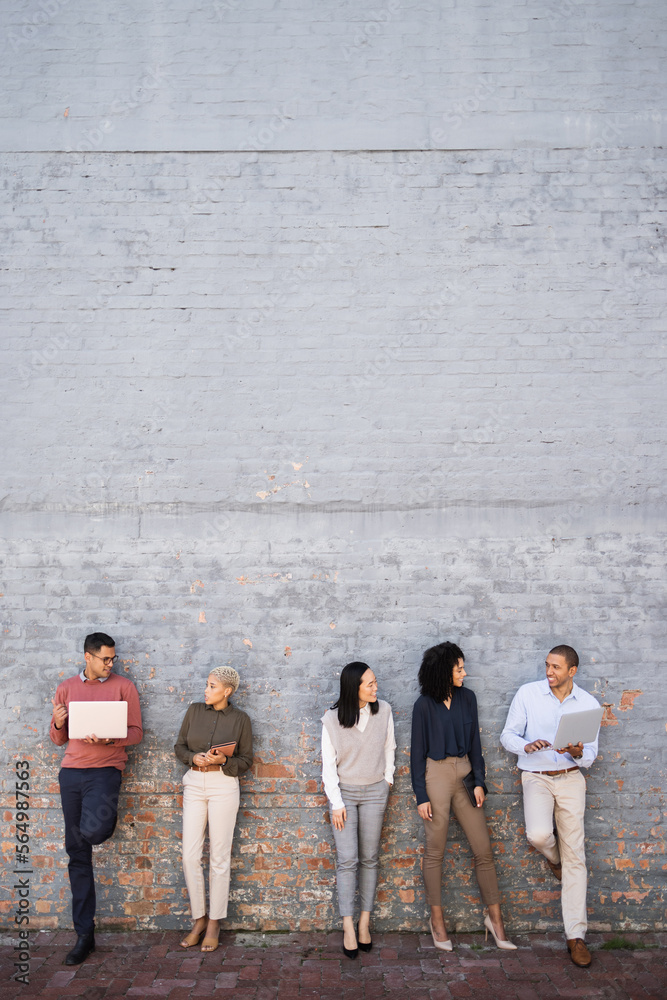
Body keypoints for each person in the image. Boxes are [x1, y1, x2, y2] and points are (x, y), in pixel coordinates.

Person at [411, 641, 516, 952]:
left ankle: (495, 921)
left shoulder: (468, 698)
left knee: (483, 848)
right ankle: (437, 920)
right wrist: (421, 796)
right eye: (459, 669)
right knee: (435, 850)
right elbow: (417, 754)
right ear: (445, 671)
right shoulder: (423, 706)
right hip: (436, 775)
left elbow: (475, 744)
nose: (465, 673)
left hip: (467, 776)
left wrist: (480, 780)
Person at [500, 644, 600, 968]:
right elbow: (507, 736)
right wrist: (525, 745)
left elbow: (591, 755)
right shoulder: (528, 694)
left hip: (571, 777)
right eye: (547, 665)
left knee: (577, 857)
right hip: (536, 776)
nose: (549, 672)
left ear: (572, 671)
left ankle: (576, 936)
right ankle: (554, 859)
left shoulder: (587, 703)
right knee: (539, 835)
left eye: (556, 667)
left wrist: (576, 751)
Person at [50, 632, 143, 966]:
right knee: (77, 852)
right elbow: (58, 739)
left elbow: (136, 732)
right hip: (71, 773)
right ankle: (84, 935)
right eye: (105, 658)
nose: (111, 663)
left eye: (113, 659)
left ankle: (105, 822)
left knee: (94, 832)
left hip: (105, 771)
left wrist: (108, 740)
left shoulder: (123, 687)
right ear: (87, 657)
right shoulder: (65, 688)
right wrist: (59, 723)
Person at [174, 666, 253, 953]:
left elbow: (245, 761)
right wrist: (193, 757)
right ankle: (199, 918)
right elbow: (179, 747)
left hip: (224, 786)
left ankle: (215, 922)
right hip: (195, 783)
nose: (206, 690)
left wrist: (221, 762)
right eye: (206, 685)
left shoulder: (241, 720)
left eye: (211, 686)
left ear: (227, 691)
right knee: (190, 856)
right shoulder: (194, 711)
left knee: (219, 857)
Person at [321, 661, 395, 958]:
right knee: (348, 859)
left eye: (375, 683)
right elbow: (328, 766)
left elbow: (390, 748)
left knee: (370, 857)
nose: (376, 688)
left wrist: (387, 780)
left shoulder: (384, 711)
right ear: (355, 688)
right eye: (370, 685)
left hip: (376, 792)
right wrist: (337, 803)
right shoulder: (331, 719)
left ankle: (365, 922)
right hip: (345, 796)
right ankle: (348, 926)